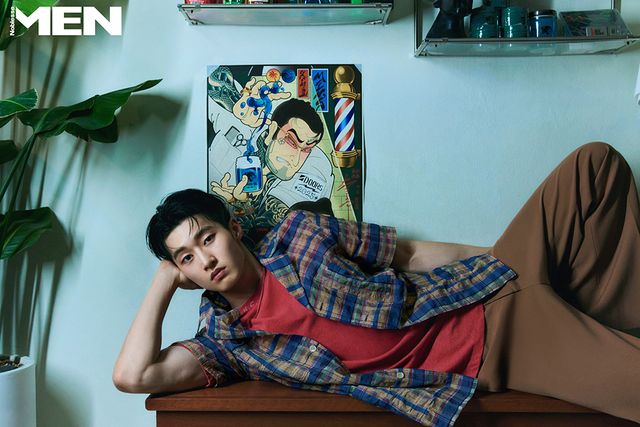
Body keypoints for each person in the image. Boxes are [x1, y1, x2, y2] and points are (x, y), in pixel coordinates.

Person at [113, 142, 640, 427]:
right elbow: (134, 376)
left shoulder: (302, 231)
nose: (205, 259)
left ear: (233, 227)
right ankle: (598, 321)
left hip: (480, 292)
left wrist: (505, 261)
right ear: (183, 273)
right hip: (493, 349)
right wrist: (162, 281)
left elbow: (408, 253)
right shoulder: (228, 345)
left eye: (207, 238)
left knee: (593, 164)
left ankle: (602, 313)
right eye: (186, 258)